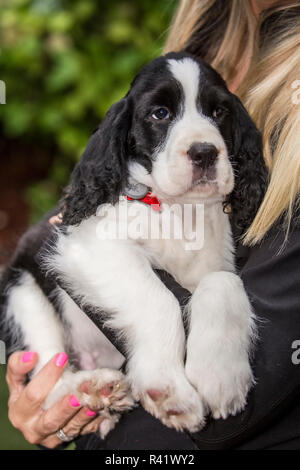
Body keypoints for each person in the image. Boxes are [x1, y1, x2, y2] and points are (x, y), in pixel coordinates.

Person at [5, 0, 300, 450]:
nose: (200, 140)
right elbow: (71, 239)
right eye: (162, 113)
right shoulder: (206, 39)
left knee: (221, 286)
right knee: (25, 279)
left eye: (216, 113)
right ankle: (67, 379)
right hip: (79, 350)